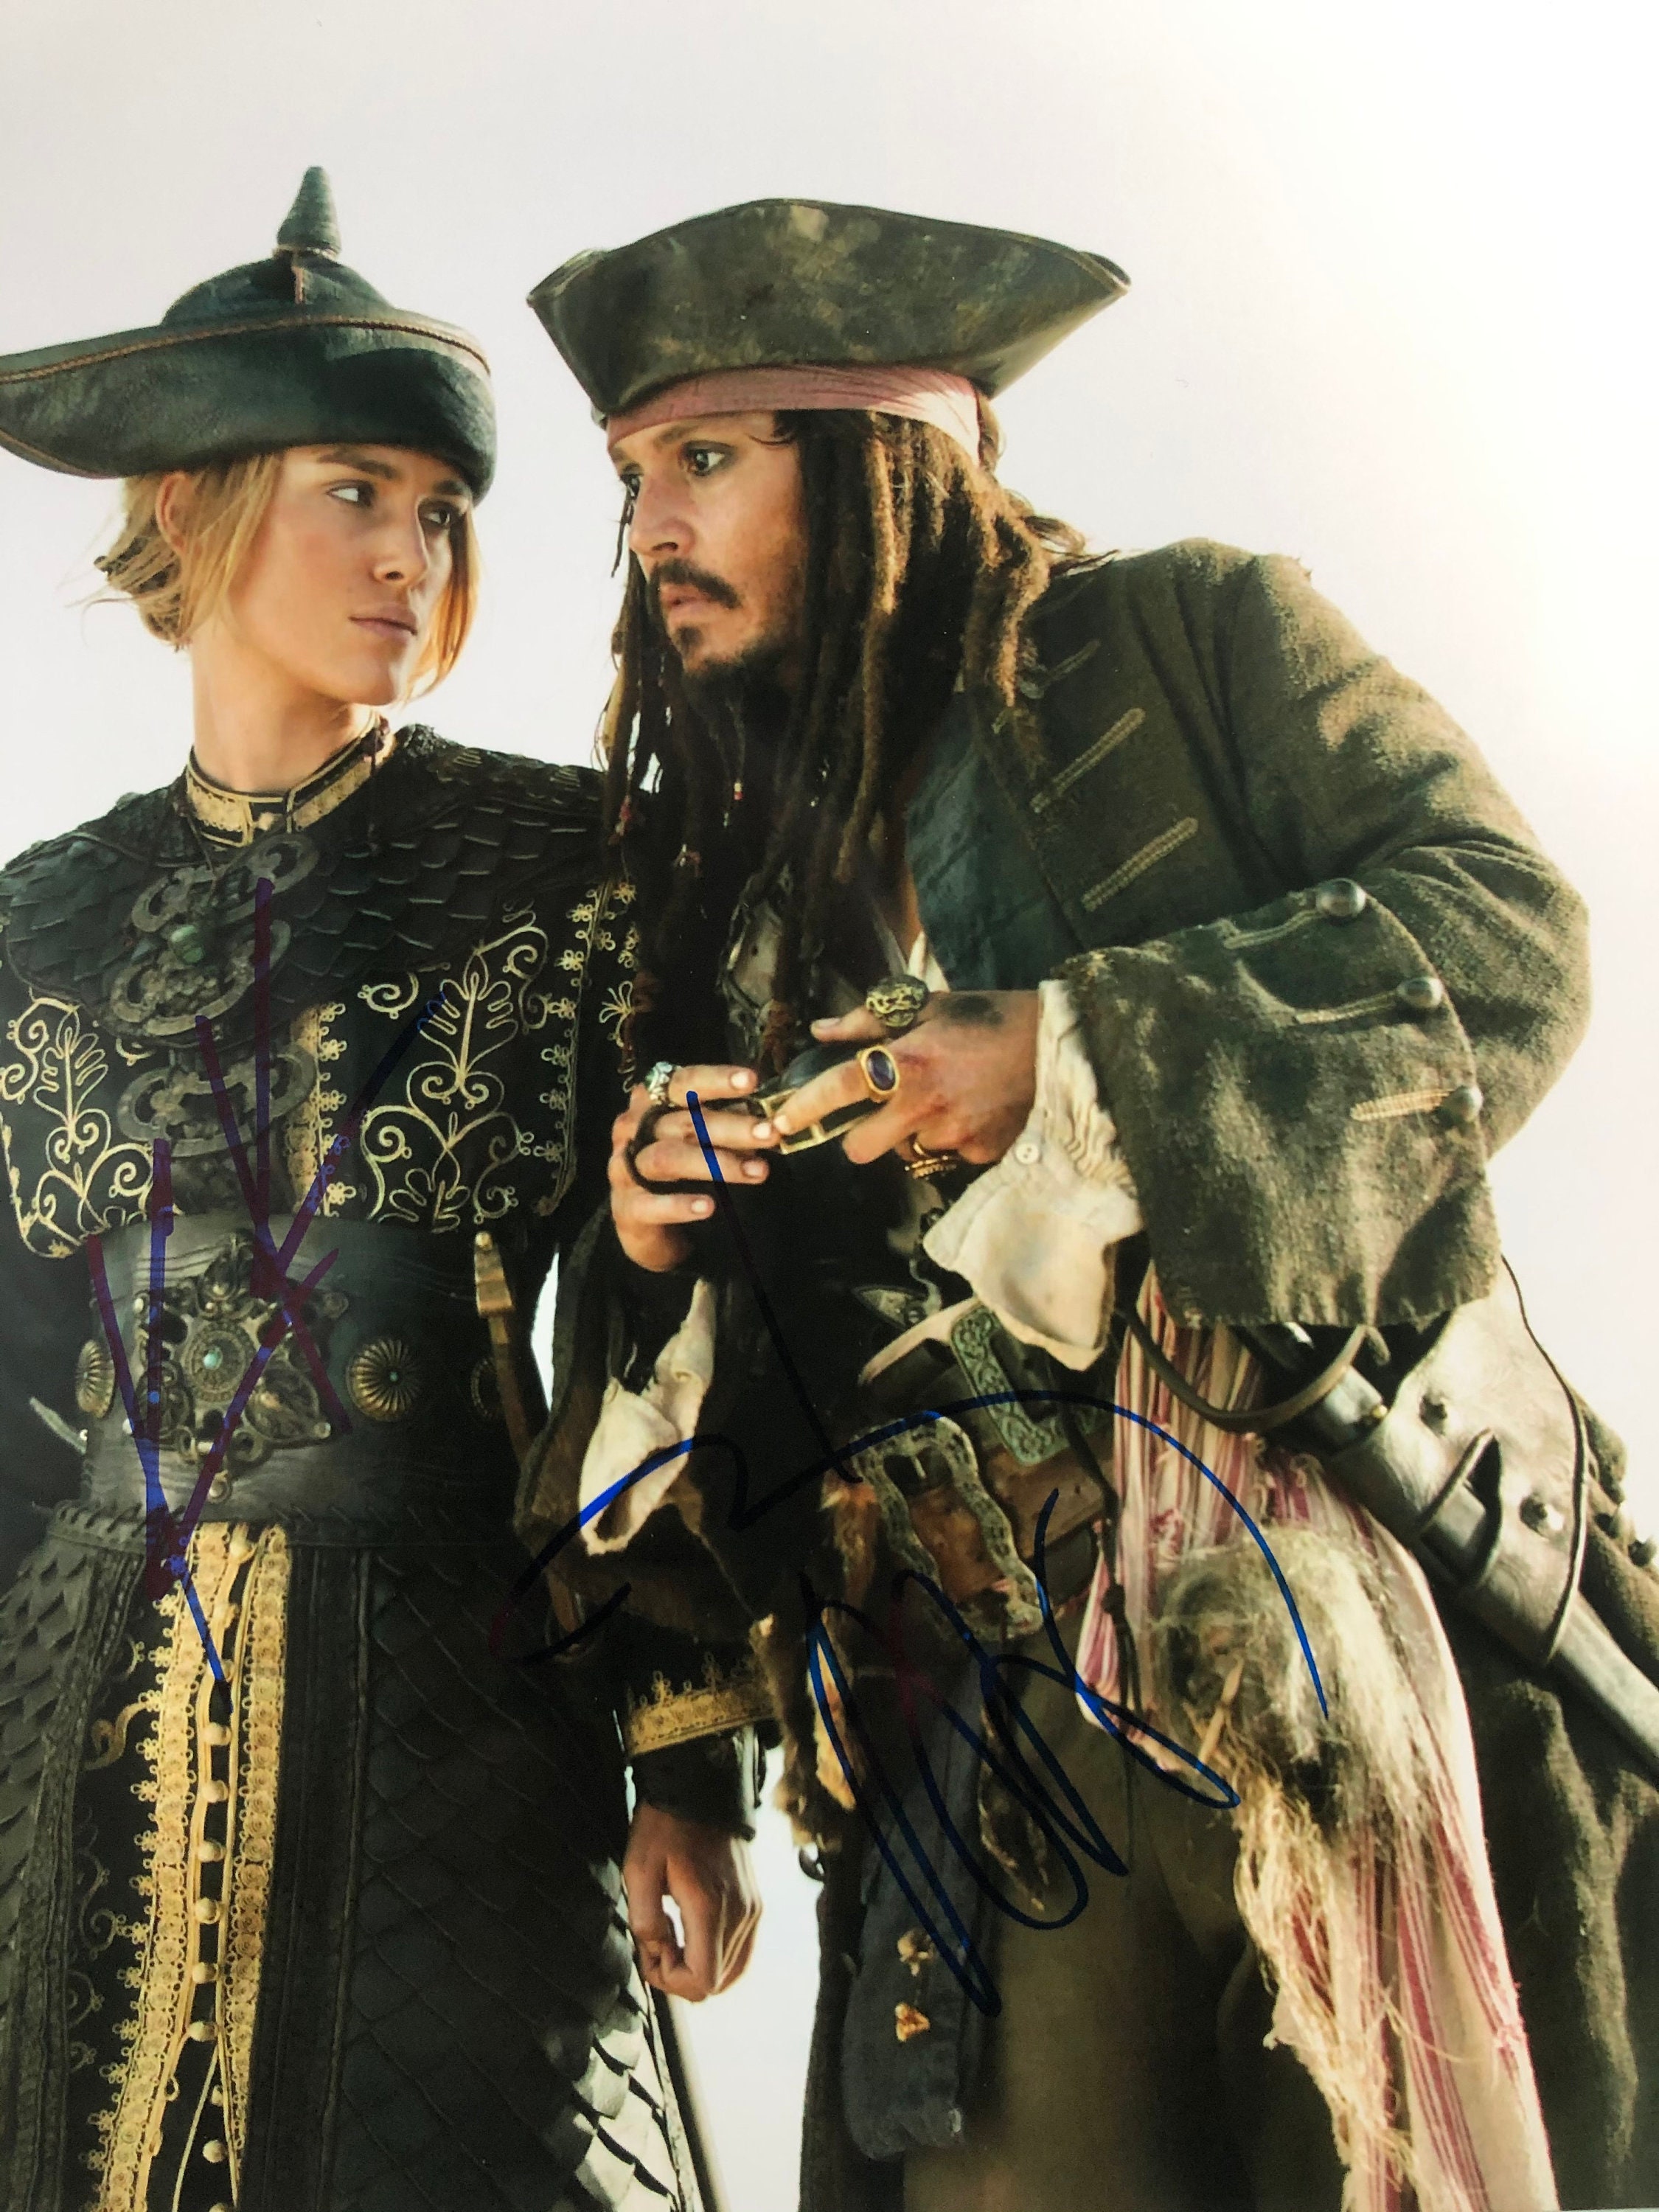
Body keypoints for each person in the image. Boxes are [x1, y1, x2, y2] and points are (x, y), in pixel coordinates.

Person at [522, 198, 1659, 2211]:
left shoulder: (1197, 638)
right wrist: (653, 1245)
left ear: (882, 460)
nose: (651, 530)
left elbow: (1508, 935)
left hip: (1340, 1631)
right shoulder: (710, 893)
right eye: (631, 480)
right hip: (973, 1742)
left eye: (706, 458)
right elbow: (664, 1422)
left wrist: (1075, 1050)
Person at [0, 173, 764, 2212]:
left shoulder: (576, 864)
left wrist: (685, 1753)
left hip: (452, 1700)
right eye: (356, 494)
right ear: (190, 505)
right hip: (70, 1712)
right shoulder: (35, 919)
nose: (410, 556)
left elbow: (657, 1320)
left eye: (441, 512)